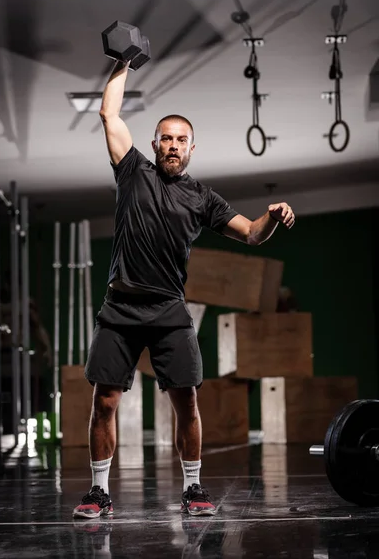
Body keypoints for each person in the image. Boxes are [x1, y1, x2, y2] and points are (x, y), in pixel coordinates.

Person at [73, 62, 295, 519]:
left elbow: (252, 233)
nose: (172, 145)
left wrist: (272, 216)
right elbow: (109, 115)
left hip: (170, 310)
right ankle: (99, 491)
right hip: (120, 307)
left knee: (186, 399)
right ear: (154, 144)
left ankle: (193, 489)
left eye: (180, 139)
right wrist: (123, 62)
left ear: (192, 147)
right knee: (105, 400)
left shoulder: (202, 198)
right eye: (165, 138)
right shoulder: (133, 171)